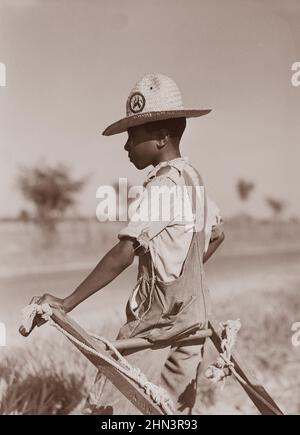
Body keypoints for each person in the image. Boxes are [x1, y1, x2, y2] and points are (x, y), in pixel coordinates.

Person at [31, 73, 224, 414]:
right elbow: (217, 234)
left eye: (133, 137)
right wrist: (182, 279)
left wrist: (67, 302)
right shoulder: (193, 179)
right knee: (172, 411)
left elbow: (123, 253)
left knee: (111, 408)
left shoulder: (162, 188)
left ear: (162, 137)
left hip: (157, 325)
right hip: (194, 319)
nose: (126, 146)